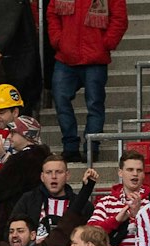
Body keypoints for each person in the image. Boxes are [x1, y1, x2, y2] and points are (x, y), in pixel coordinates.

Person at [46, 0, 126, 164]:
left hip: (95, 57)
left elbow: (120, 19)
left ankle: (92, 148)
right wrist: (58, 40)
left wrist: (107, 43)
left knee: (95, 104)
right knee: (61, 101)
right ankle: (70, 147)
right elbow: (52, 13)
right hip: (66, 56)